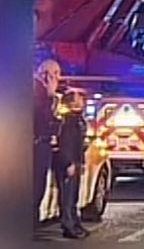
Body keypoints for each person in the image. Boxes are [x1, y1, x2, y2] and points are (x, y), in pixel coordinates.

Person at [53, 89, 89, 240]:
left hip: (76, 161)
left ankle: (75, 223)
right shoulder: (68, 121)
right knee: (67, 197)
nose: (82, 99)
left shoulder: (78, 119)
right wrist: (70, 163)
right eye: (79, 97)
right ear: (73, 103)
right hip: (68, 163)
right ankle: (68, 227)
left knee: (73, 196)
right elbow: (66, 144)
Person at [34, 59, 62, 236]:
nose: (57, 78)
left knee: (38, 188)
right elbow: (44, 119)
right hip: (37, 145)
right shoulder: (38, 91)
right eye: (55, 74)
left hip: (41, 144)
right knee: (35, 188)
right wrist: (51, 96)